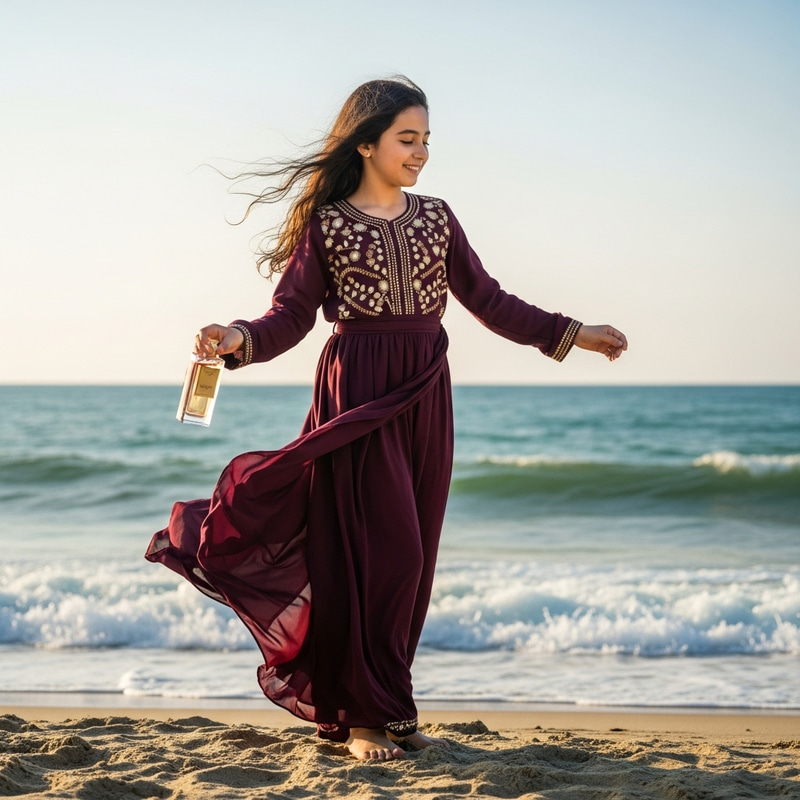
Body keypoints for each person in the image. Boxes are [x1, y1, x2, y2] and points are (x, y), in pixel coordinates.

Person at [145, 76, 627, 762]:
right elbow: (290, 315)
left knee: (414, 559)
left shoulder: (438, 217)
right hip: (358, 393)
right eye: (408, 138)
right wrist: (237, 338)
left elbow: (489, 300)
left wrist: (574, 333)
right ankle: (363, 720)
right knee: (381, 553)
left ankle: (391, 709)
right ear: (366, 144)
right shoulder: (327, 225)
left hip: (426, 391)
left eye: (427, 139)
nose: (421, 151)